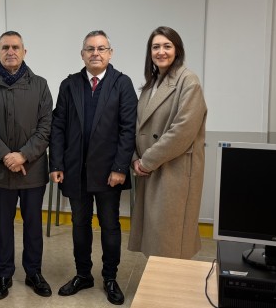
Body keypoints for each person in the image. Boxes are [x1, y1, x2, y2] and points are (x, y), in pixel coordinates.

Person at [49, 30, 137, 306]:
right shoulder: (70, 84)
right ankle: (83, 274)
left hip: (110, 172)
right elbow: (58, 126)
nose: (95, 53)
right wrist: (57, 164)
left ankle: (110, 277)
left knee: (110, 226)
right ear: (82, 54)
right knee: (79, 224)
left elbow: (128, 130)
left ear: (110, 53)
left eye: (101, 48)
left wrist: (121, 167)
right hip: (75, 170)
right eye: (90, 49)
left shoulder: (122, 84)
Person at [0, 31, 53, 300]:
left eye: (15, 47)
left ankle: (34, 273)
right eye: (5, 47)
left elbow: (46, 127)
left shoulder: (40, 85)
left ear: (24, 52)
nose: (10, 51)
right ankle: (4, 273)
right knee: (3, 225)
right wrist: (7, 156)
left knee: (32, 224)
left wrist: (23, 155)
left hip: (33, 170)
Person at [128, 26, 207, 259]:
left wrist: (146, 161)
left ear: (177, 50)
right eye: (155, 47)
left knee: (171, 238)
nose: (161, 51)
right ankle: (157, 285)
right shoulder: (151, 85)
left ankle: (170, 290)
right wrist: (135, 159)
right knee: (154, 235)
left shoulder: (188, 81)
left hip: (174, 170)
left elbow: (182, 131)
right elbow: (137, 126)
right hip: (150, 168)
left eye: (167, 46)